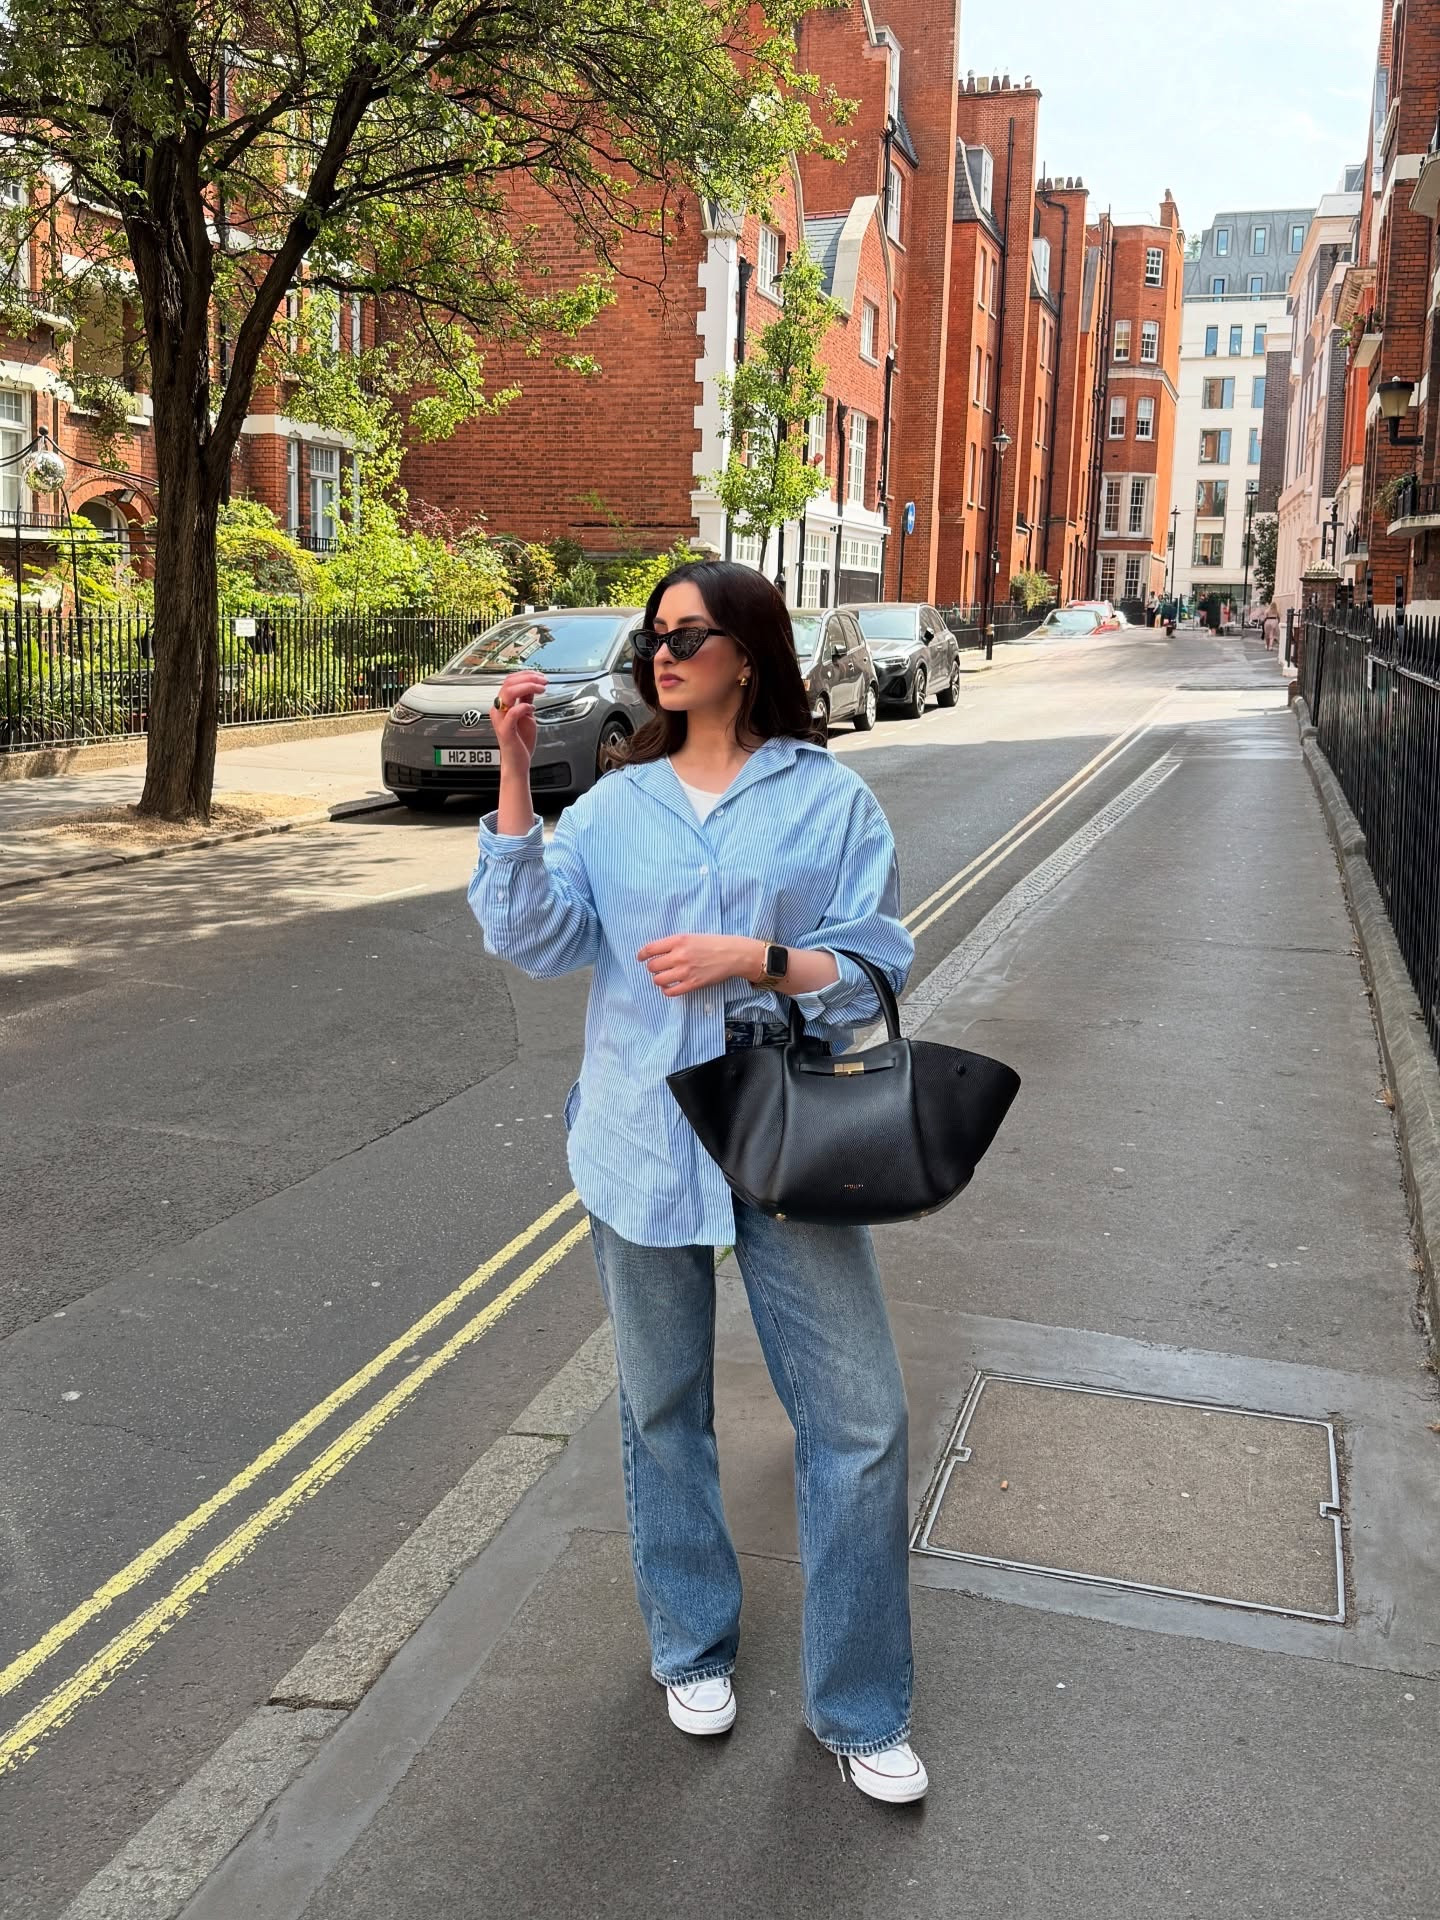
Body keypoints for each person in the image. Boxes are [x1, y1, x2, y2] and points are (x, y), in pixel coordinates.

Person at [467, 560, 925, 1805]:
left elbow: (878, 972)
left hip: (785, 1140)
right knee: (662, 1408)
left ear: (749, 651)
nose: (665, 653)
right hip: (641, 1141)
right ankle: (691, 1642)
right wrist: (515, 776)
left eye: (691, 633)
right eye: (654, 636)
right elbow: (536, 938)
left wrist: (760, 958)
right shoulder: (615, 808)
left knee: (862, 1424)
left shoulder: (827, 801)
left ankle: (859, 1704)